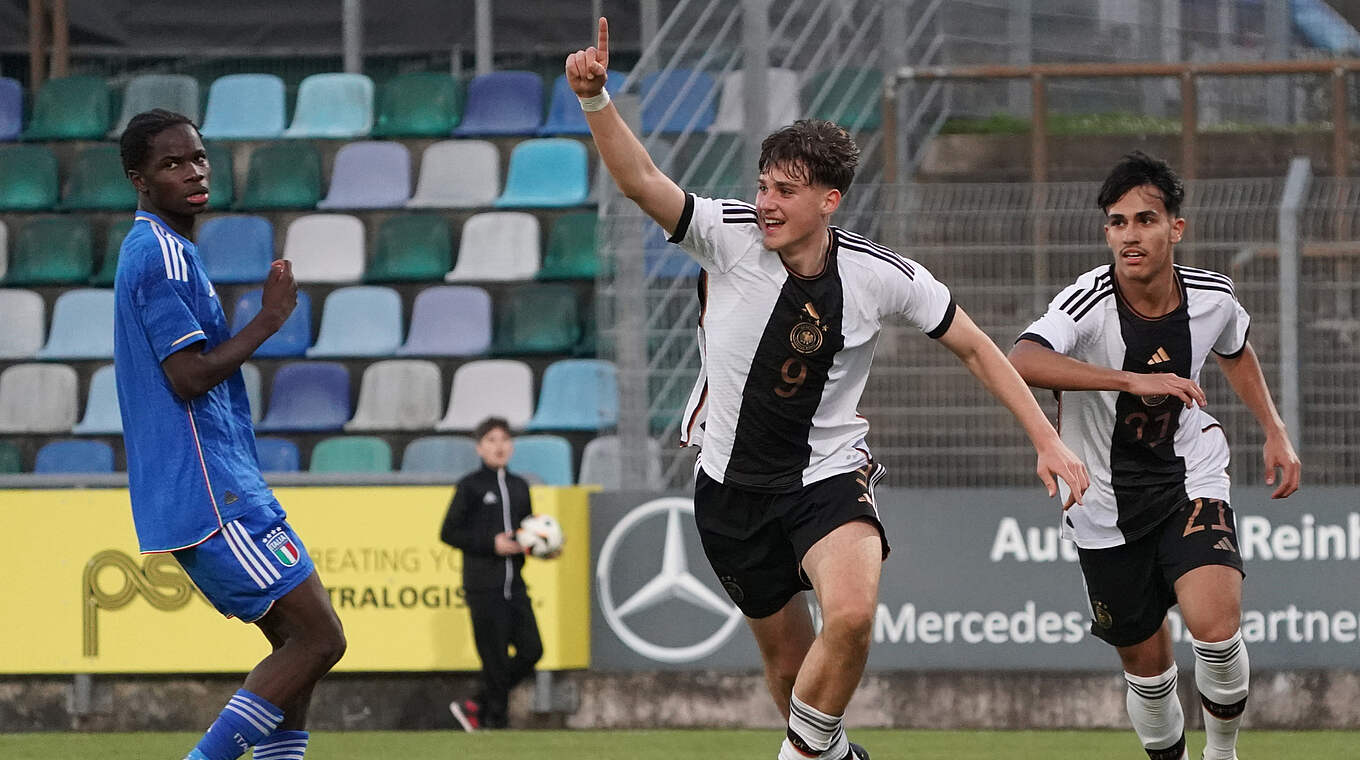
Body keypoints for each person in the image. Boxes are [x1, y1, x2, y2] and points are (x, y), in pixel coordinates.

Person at [566, 18, 1089, 760]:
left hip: (826, 478)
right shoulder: (727, 235)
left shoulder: (881, 276)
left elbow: (975, 345)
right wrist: (596, 101)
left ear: (830, 200)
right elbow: (641, 180)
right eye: (762, 185)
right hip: (729, 488)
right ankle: (833, 755)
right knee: (788, 669)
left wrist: (1047, 439)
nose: (766, 202)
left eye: (785, 190)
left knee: (850, 617)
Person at [1009, 151, 1301, 760]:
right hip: (1102, 502)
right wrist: (1130, 379)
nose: (1129, 235)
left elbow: (1236, 349)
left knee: (1215, 630)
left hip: (1189, 475)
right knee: (1146, 665)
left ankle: (1222, 753)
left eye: (1144, 220)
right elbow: (1024, 360)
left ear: (1175, 228)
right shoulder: (1087, 302)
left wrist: (1274, 429)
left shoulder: (1212, 297)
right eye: (1117, 222)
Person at [113, 109, 346, 760]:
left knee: (296, 645)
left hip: (226, 481)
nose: (193, 172)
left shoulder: (175, 249)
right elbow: (186, 377)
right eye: (172, 163)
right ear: (140, 179)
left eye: (198, 158)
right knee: (319, 641)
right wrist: (268, 321)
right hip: (210, 490)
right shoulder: (156, 254)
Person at [440, 417, 545, 731]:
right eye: (491, 440)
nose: (499, 446)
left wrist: (542, 545)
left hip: (516, 586)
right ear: (479, 447)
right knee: (495, 659)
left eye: (504, 439)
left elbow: (526, 532)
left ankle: (475, 706)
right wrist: (490, 543)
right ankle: (493, 724)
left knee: (531, 650)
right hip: (484, 586)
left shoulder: (520, 486)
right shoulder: (470, 486)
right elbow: (449, 532)